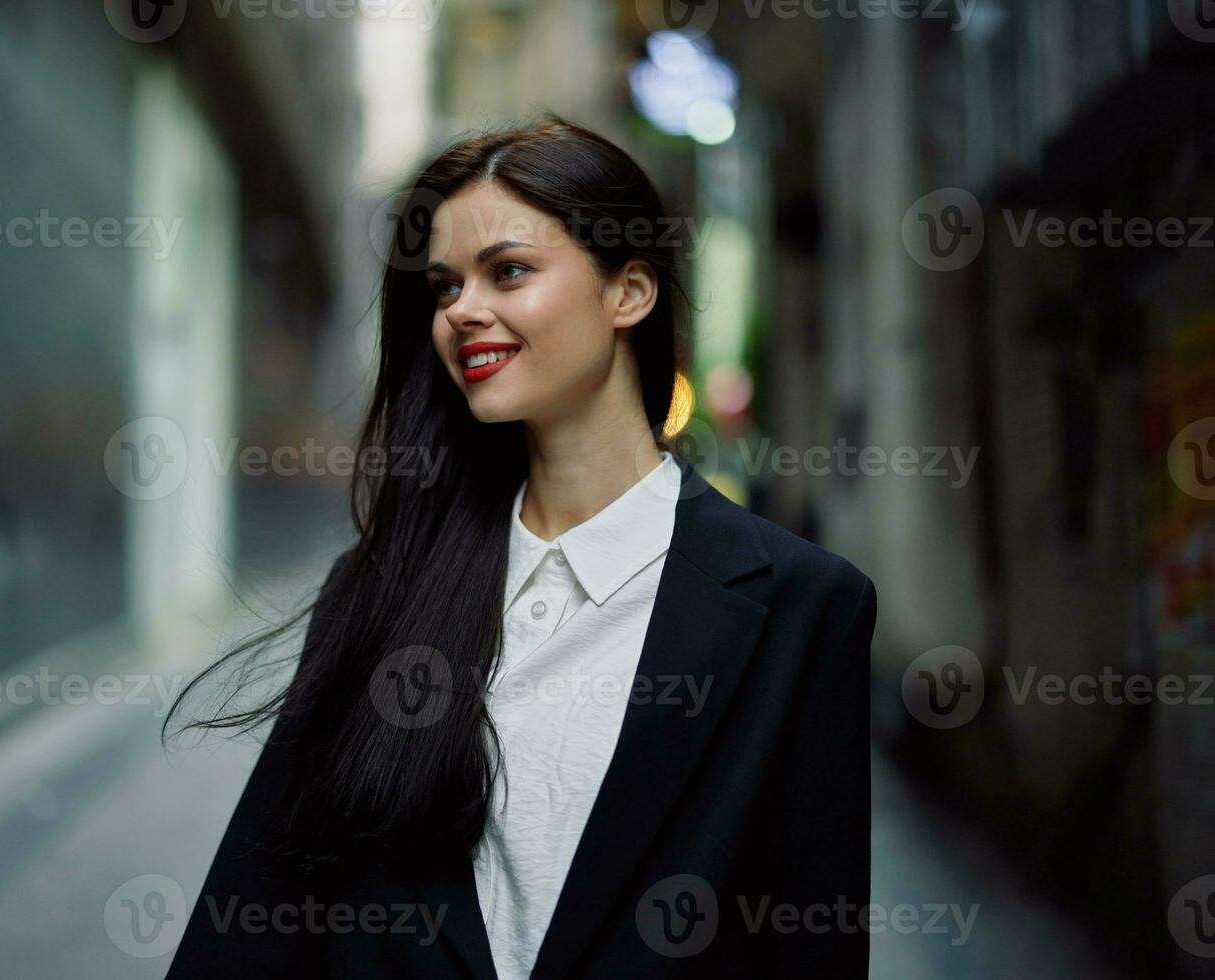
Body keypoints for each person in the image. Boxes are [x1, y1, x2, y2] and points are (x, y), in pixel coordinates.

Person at [165, 115, 876, 979]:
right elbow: (252, 928)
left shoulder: (800, 608)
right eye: (442, 287)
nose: (463, 310)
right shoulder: (380, 586)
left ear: (630, 293)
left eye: (507, 271)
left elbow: (810, 954)